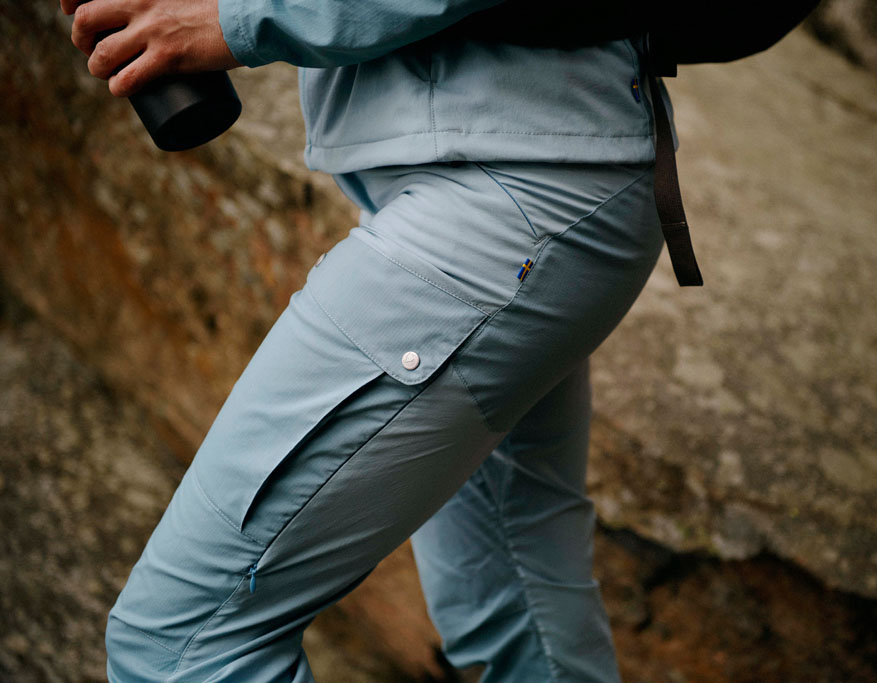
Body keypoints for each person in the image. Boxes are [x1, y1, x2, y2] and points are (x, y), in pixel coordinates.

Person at [64, 0, 670, 679]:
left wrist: (239, 18)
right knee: (514, 605)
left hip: (507, 190)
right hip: (538, 165)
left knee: (177, 646)